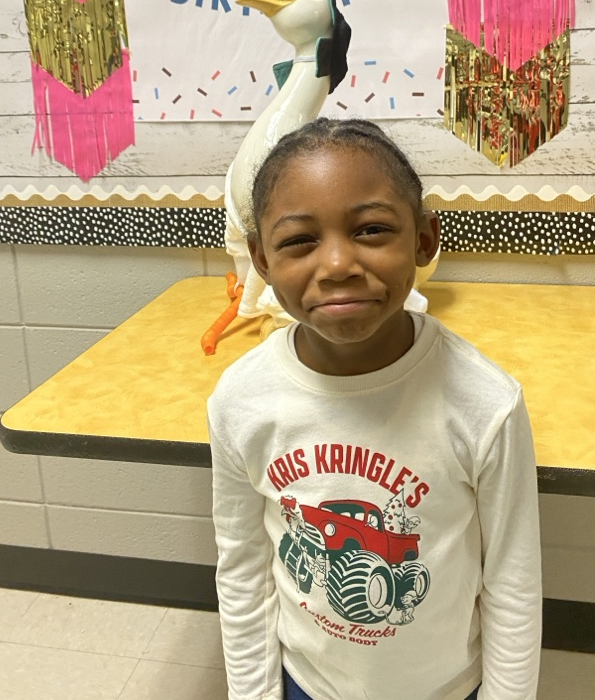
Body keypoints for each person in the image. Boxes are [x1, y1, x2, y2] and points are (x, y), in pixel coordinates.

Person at [208, 118, 542, 700]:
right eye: (298, 241)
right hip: (306, 684)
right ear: (261, 261)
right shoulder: (242, 400)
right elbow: (244, 571)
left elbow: (512, 581)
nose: (337, 264)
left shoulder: (484, 402)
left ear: (424, 240)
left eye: (371, 230)